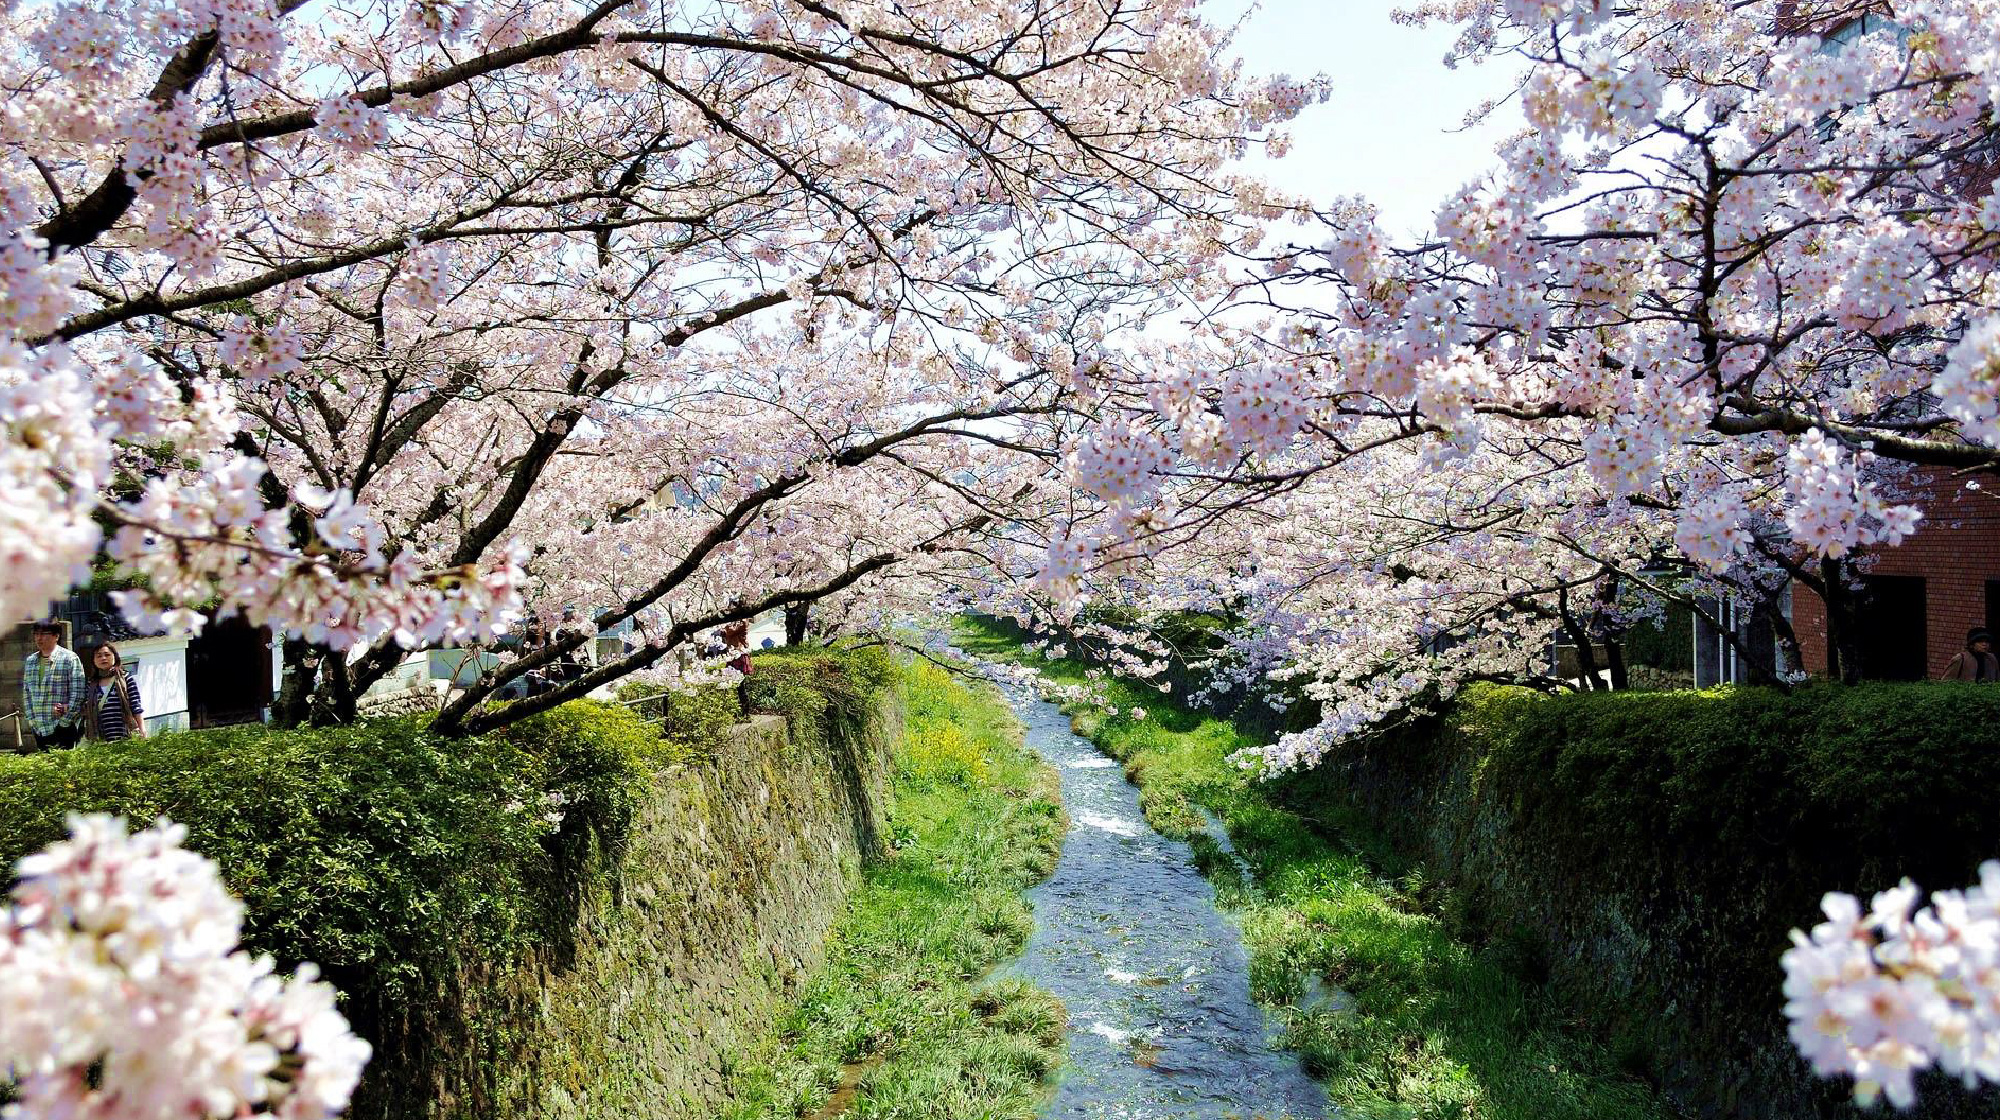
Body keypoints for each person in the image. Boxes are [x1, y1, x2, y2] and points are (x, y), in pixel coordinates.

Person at [22, 621, 85, 750]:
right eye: (36, 634)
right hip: (39, 727)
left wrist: (65, 722)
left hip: (62, 726)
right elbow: (27, 693)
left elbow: (78, 692)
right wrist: (32, 721)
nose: (39, 638)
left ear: (56, 636)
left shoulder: (69, 658)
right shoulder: (31, 661)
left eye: (44, 634)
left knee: (64, 766)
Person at [80, 642, 146, 742]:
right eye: (99, 656)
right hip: (100, 737)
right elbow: (85, 707)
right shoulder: (91, 684)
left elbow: (136, 706)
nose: (103, 658)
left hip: (125, 733)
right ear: (93, 660)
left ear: (115, 657)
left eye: (107, 655)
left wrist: (142, 729)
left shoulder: (126, 679)